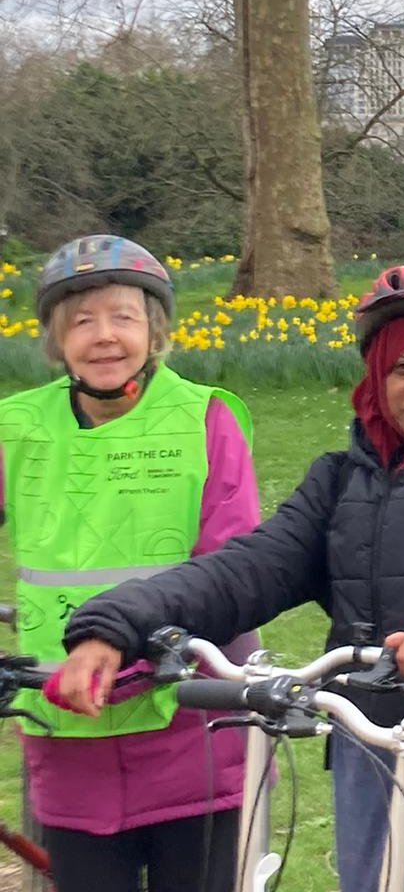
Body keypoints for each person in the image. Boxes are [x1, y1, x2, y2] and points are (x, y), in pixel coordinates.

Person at [57, 259, 404, 892]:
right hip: (374, 745)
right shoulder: (339, 481)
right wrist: (114, 625)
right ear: (375, 373)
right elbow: (245, 571)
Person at [0, 234, 259, 892]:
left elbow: (232, 568)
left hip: (191, 727)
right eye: (82, 320)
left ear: (155, 329)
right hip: (67, 730)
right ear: (57, 341)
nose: (105, 336)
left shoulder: (205, 420)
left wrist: (134, 650)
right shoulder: (16, 427)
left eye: (124, 316)